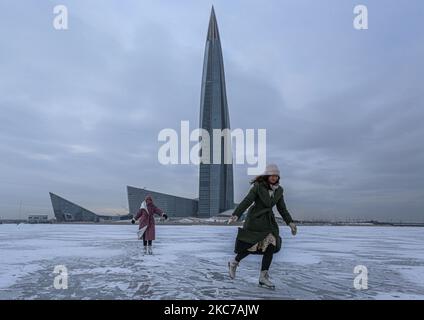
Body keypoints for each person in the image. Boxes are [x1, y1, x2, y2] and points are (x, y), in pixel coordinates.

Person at [227, 164, 297, 289]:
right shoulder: (258, 187)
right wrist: (236, 214)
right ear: (267, 176)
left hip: (269, 222)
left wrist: (290, 222)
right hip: (255, 220)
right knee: (251, 246)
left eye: (276, 176)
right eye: (272, 175)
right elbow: (247, 200)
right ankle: (234, 262)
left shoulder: (279, 190)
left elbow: (282, 208)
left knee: (271, 245)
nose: (274, 178)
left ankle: (263, 277)